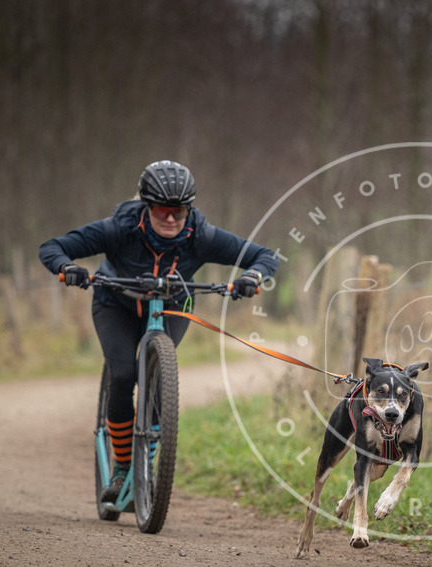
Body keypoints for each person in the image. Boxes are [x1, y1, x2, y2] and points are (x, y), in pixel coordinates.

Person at [39, 160, 279, 503]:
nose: (171, 219)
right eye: (163, 210)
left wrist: (251, 277)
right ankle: (123, 467)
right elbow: (51, 247)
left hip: (172, 305)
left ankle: (146, 468)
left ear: (189, 209)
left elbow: (264, 256)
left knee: (159, 385)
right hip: (116, 304)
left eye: (179, 212)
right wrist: (68, 267)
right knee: (122, 375)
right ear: (147, 206)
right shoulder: (118, 228)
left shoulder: (203, 235)